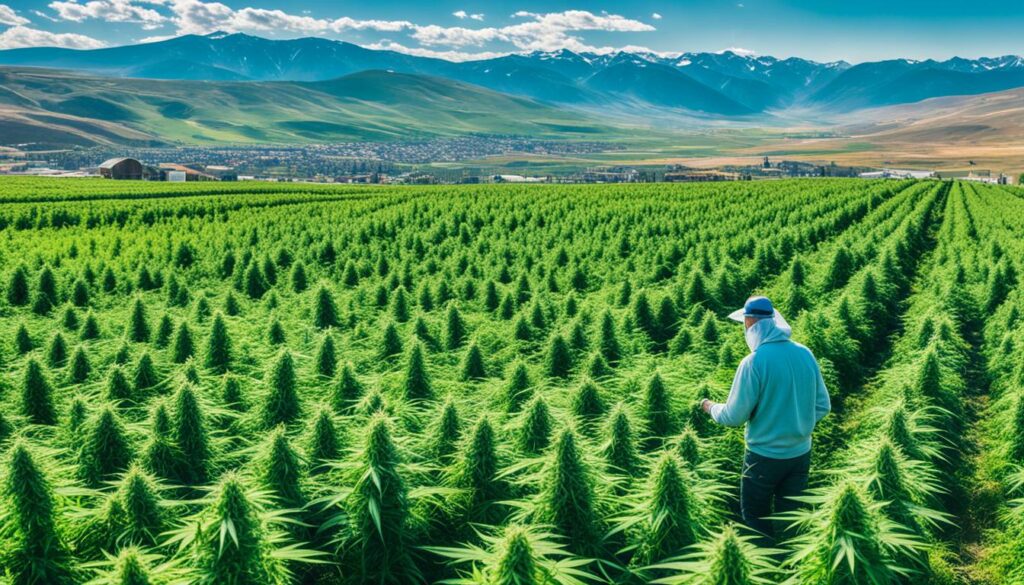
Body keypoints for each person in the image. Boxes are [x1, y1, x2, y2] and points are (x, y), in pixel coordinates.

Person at [701, 295, 831, 546]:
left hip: (763, 458)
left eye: (745, 324)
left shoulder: (754, 362)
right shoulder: (804, 353)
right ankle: (794, 564)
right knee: (792, 517)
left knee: (755, 517)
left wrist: (709, 407)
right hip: (800, 454)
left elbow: (733, 416)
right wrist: (798, 425)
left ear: (750, 324)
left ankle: (766, 568)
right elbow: (823, 405)